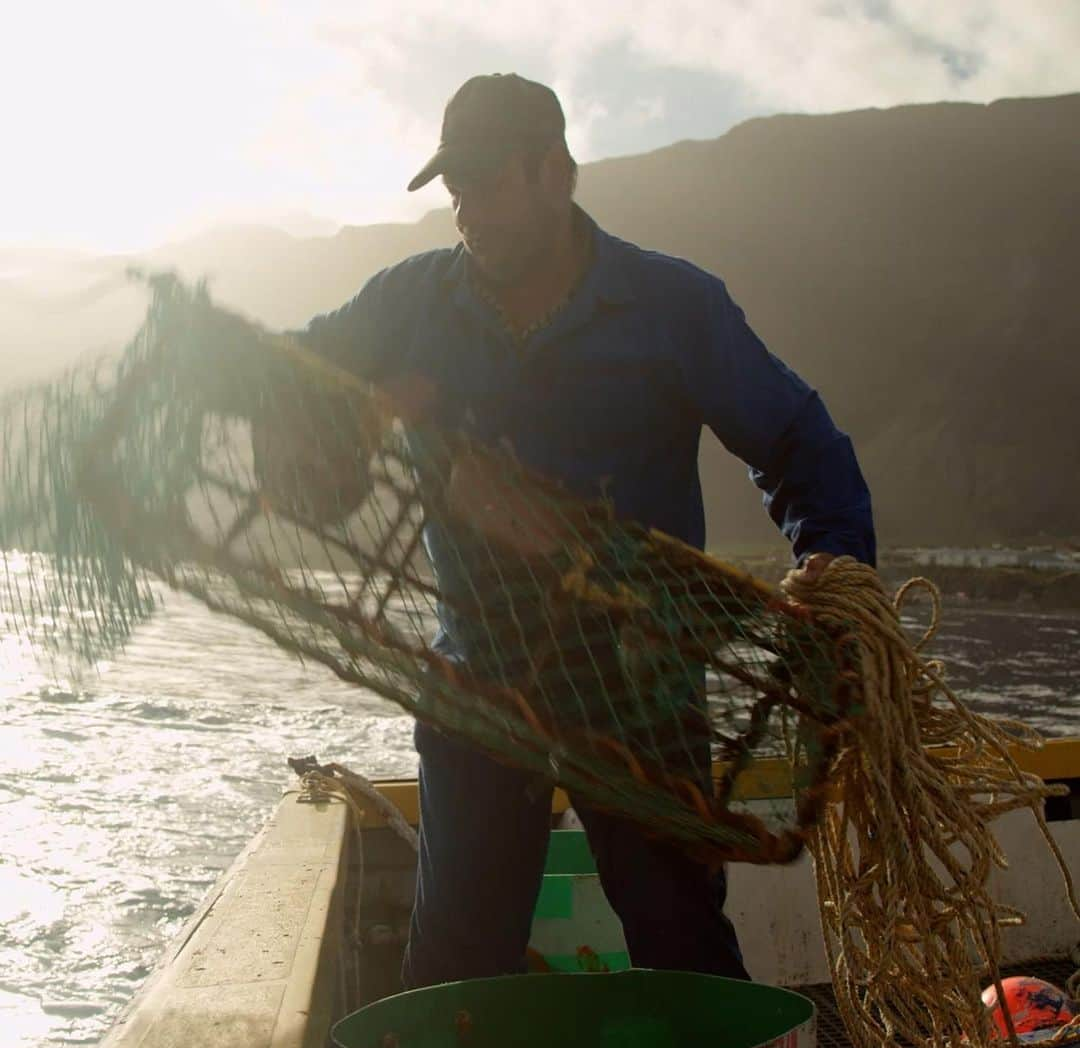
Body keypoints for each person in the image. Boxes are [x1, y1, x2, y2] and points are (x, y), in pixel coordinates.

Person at [287, 73, 876, 988]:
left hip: (641, 683)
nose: (468, 212)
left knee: (680, 939)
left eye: (487, 184)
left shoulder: (672, 307)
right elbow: (295, 372)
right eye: (455, 191)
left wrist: (834, 566)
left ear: (556, 173)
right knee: (456, 955)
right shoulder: (410, 303)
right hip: (481, 679)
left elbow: (797, 440)